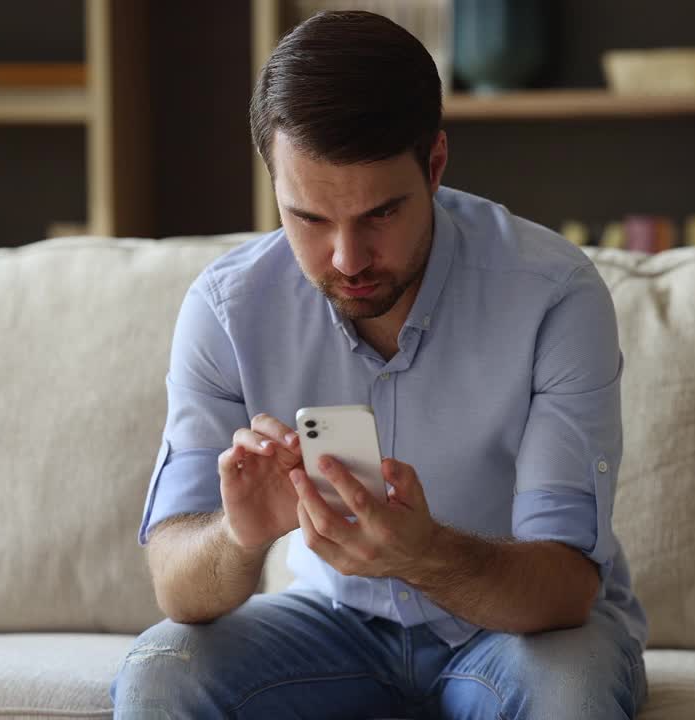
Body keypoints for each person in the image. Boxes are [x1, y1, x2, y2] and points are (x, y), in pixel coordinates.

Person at [111, 10, 647, 719]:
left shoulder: (554, 295)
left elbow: (566, 587)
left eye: (379, 215)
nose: (347, 259)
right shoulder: (227, 309)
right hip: (329, 625)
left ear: (434, 166)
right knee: (159, 671)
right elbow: (177, 585)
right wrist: (240, 535)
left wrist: (421, 554)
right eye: (309, 219)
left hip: (517, 634)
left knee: (570, 693)